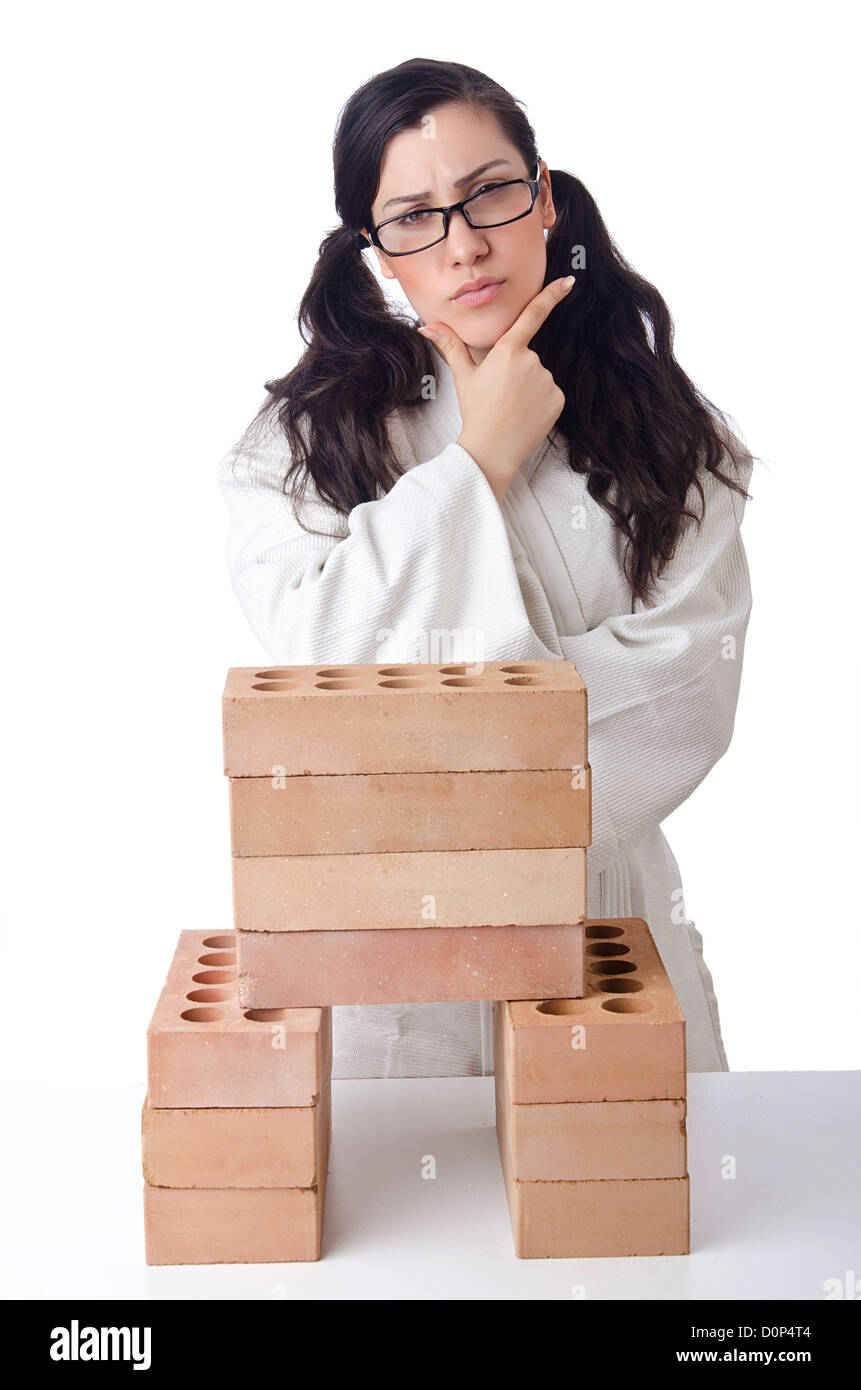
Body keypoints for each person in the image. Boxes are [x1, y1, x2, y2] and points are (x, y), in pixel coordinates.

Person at [217, 57, 756, 1080]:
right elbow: (325, 655)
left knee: (624, 1214)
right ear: (375, 254)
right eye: (413, 216)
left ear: (544, 197)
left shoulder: (678, 441)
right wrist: (479, 463)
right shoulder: (298, 447)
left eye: (491, 193)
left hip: (606, 943)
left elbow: (684, 698)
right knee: (408, 1226)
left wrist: (431, 749)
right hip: (393, 982)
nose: (464, 243)